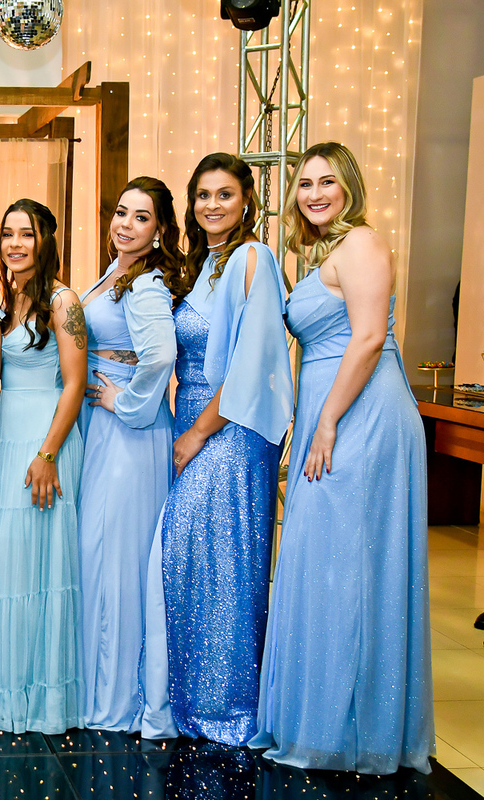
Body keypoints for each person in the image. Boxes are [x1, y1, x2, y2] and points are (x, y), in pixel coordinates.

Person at [251, 142, 434, 773]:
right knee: (330, 563)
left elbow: (370, 337)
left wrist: (327, 419)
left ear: (349, 186)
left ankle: (350, 729)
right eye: (304, 184)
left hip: (360, 416)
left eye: (327, 181)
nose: (314, 194)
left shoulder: (362, 242)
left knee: (345, 566)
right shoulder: (325, 253)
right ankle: (334, 720)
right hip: (335, 411)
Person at [149, 153, 294, 745]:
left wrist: (198, 432)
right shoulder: (203, 265)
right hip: (195, 418)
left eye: (225, 194)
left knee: (223, 566)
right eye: (203, 195)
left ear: (246, 201)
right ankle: (191, 698)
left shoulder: (254, 259)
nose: (212, 205)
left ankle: (227, 708)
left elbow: (252, 364)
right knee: (191, 561)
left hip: (232, 429)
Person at [77, 177, 178, 733]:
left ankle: (116, 699)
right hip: (107, 429)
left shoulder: (147, 283)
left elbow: (159, 354)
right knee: (99, 554)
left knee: (115, 560)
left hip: (130, 435)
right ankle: (99, 685)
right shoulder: (117, 272)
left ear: (159, 229)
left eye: (142, 217)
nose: (126, 224)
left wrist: (126, 402)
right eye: (121, 212)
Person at [0, 199, 88, 734]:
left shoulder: (63, 300)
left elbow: (74, 383)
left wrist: (47, 454)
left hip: (47, 442)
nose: (15, 243)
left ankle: (46, 701)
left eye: (27, 233)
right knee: (13, 567)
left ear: (46, 240)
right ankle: (12, 693)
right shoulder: (8, 301)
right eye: (8, 233)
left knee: (44, 570)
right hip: (9, 442)